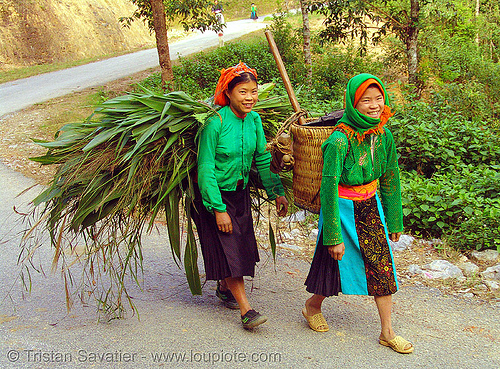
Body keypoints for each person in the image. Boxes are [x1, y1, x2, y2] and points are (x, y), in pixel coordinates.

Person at [302, 73, 414, 354]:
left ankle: (387, 332)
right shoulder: (339, 141)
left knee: (382, 266)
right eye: (366, 100)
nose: (375, 105)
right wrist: (333, 235)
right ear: (353, 103)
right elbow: (328, 188)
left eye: (378, 99)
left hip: (370, 206)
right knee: (333, 262)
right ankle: (312, 305)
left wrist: (394, 218)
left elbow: (390, 176)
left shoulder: (383, 134)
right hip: (342, 209)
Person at [193, 62, 289, 330]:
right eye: (243, 92)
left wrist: (277, 191)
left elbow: (261, 158)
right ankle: (247, 311)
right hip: (214, 196)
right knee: (231, 251)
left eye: (253, 92)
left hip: (240, 194)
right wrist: (217, 208)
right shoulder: (216, 123)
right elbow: (205, 167)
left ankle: (225, 289)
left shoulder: (255, 121)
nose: (249, 98)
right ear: (229, 93)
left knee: (240, 249)